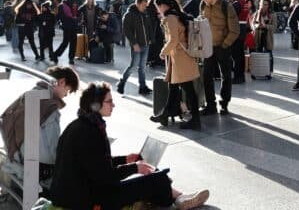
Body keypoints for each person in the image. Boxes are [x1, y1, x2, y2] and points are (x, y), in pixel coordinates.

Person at [50, 82, 210, 210]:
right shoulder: (89, 132)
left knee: (151, 175)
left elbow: (95, 164)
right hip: (85, 200)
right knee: (154, 179)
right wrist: (134, 168)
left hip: (77, 193)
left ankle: (178, 197)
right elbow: (104, 176)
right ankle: (179, 200)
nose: (113, 105)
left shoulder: (81, 125)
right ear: (96, 106)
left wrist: (125, 159)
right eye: (109, 101)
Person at [0, 66, 78, 190]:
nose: (65, 95)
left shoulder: (28, 96)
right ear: (62, 82)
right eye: (67, 90)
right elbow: (52, 155)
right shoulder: (50, 108)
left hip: (15, 159)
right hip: (33, 172)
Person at [150, 0, 201, 129]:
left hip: (180, 58)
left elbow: (173, 40)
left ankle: (195, 120)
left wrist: (163, 52)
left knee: (188, 89)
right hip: (179, 57)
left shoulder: (171, 18)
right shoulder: (175, 15)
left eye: (158, 7)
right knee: (173, 88)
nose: (158, 10)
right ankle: (165, 115)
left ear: (163, 6)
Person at [198, 0, 240, 115]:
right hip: (208, 47)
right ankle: (210, 104)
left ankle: (224, 103)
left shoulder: (226, 6)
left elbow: (235, 30)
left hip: (223, 47)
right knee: (206, 76)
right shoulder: (203, 5)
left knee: (225, 76)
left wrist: (225, 45)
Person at [118, 0, 153, 96]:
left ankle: (142, 87)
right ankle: (122, 82)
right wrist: (134, 43)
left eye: (146, 5)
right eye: (143, 5)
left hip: (146, 44)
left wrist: (151, 39)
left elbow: (149, 27)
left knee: (142, 67)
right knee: (133, 66)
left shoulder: (145, 14)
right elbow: (126, 31)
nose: (145, 7)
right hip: (137, 45)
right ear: (138, 4)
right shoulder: (129, 15)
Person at [229, 0, 250, 84]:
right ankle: (241, 77)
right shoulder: (244, 2)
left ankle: (238, 77)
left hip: (236, 31)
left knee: (236, 56)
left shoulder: (237, 3)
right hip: (242, 31)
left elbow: (229, 15)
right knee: (240, 55)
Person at [250, 0, 276, 73]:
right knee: (258, 53)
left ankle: (270, 71)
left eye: (266, 4)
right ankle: (260, 71)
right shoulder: (257, 13)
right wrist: (256, 26)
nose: (264, 6)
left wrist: (266, 26)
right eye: (262, 4)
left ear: (269, 5)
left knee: (269, 54)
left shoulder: (272, 14)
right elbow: (252, 23)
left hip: (268, 37)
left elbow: (274, 27)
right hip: (258, 36)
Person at [53, 0, 78, 65]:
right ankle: (55, 54)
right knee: (65, 42)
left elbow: (78, 14)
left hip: (74, 26)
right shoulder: (62, 6)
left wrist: (77, 19)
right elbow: (59, 17)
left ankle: (71, 58)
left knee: (73, 42)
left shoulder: (74, 5)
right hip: (67, 27)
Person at [147, 0, 166, 68]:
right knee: (157, 46)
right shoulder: (152, 14)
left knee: (154, 47)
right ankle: (157, 61)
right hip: (155, 34)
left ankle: (153, 61)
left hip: (154, 34)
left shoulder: (149, 12)